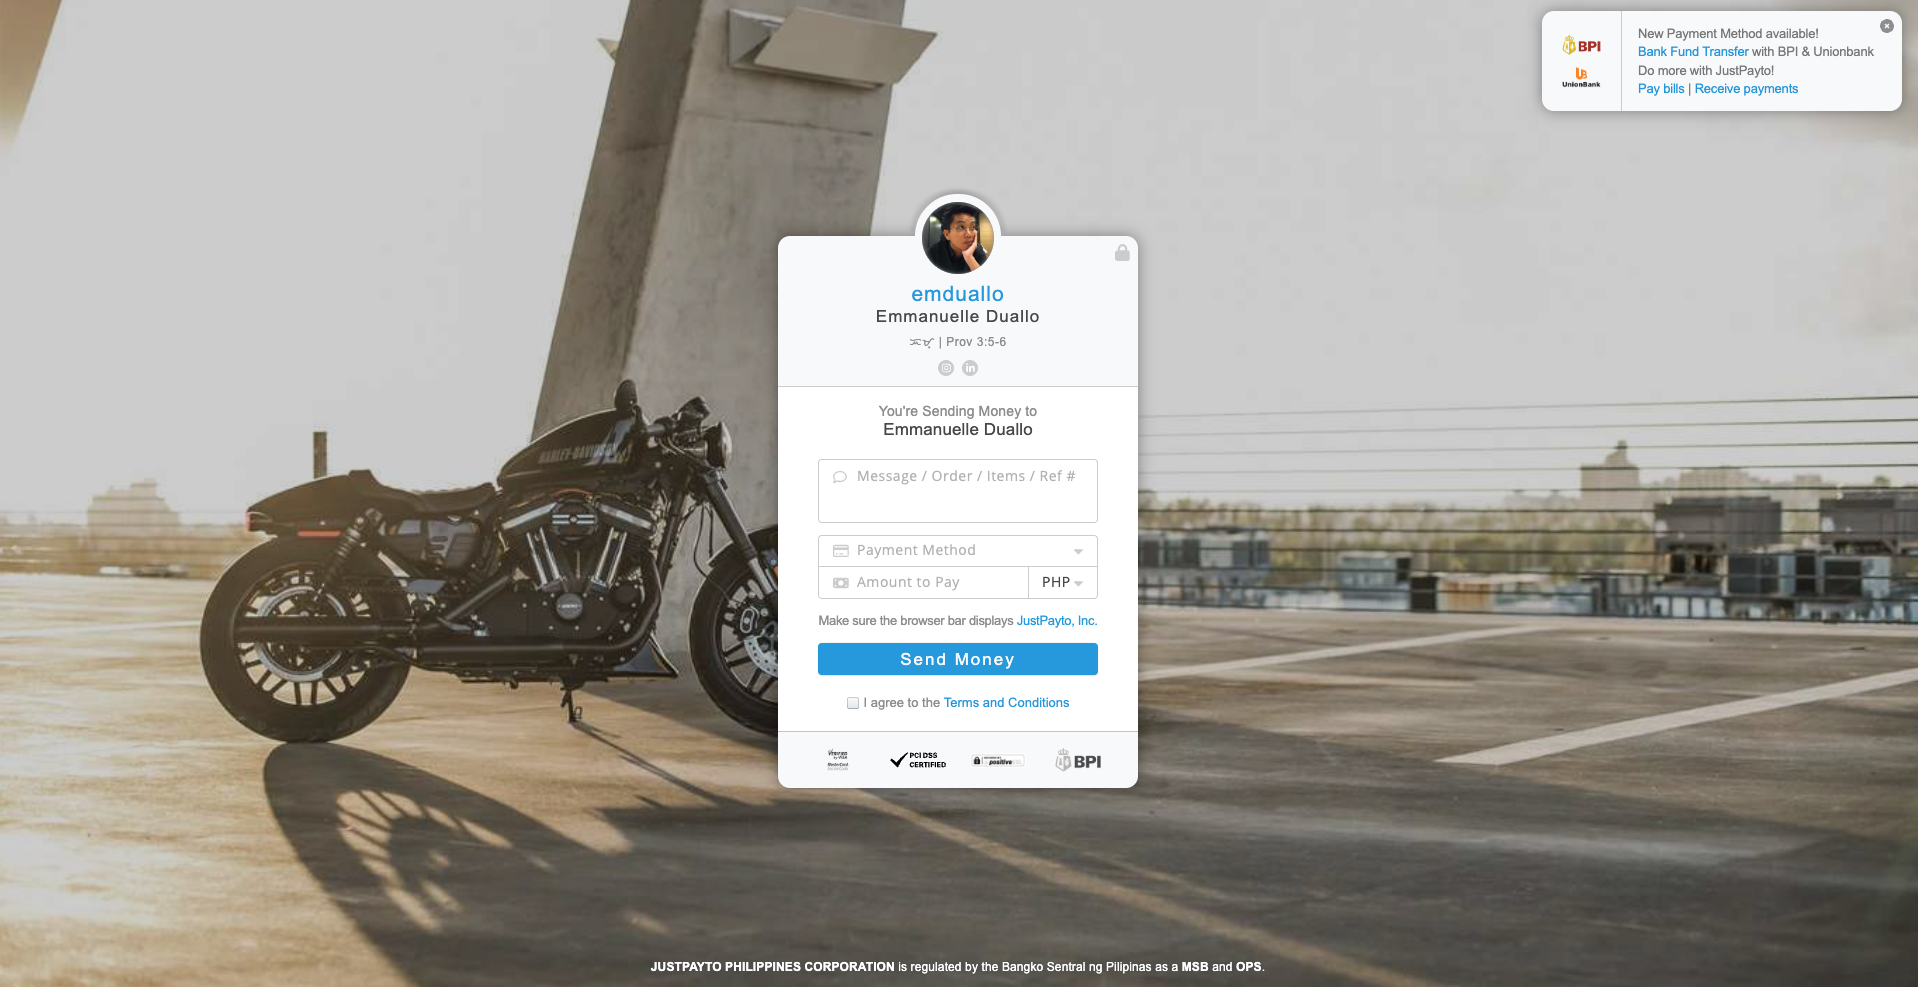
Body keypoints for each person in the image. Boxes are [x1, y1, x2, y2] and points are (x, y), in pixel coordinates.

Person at [925, 202, 988, 274]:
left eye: (972, 227)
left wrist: (969, 257)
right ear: (947, 234)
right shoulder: (934, 251)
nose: (969, 234)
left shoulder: (978, 249)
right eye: (961, 227)